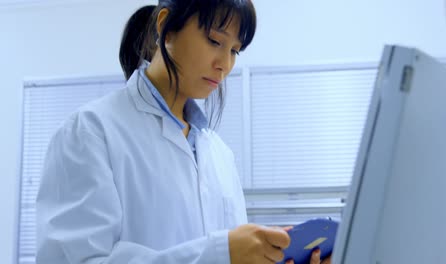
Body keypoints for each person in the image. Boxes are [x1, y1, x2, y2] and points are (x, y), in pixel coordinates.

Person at [36, 1, 330, 263]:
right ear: (166, 26)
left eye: (234, 51)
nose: (225, 65)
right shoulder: (91, 131)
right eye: (215, 40)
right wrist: (219, 254)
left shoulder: (219, 153)